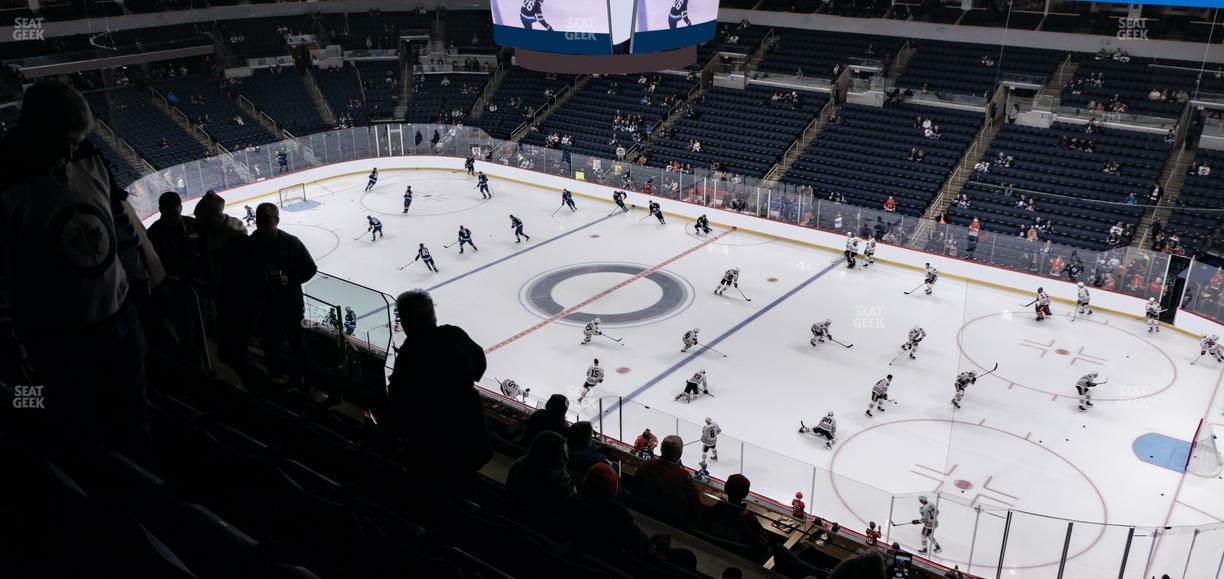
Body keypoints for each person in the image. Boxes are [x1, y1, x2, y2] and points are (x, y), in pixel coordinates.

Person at [0, 79, 157, 458]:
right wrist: (12, 355)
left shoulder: (87, 154)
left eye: (76, 141)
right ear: (34, 130)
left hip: (121, 320)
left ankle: (145, 479)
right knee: (71, 427)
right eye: (63, 142)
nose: (71, 150)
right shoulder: (4, 184)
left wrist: (138, 281)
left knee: (134, 414)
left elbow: (118, 223)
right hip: (54, 341)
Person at [386, 289, 491, 497]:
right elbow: (479, 365)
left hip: (426, 447)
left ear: (405, 323)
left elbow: (397, 401)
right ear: (433, 316)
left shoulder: (408, 355)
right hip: (466, 436)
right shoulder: (454, 336)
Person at [250, 203, 318, 388]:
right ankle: (276, 378)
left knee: (297, 343)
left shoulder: (291, 242)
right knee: (271, 344)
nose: (262, 222)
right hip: (266, 304)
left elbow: (310, 268)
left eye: (267, 218)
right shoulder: (250, 244)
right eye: (259, 218)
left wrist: (291, 279)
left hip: (290, 304)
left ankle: (303, 380)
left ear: (277, 221)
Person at [564, 463, 646, 558]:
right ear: (614, 492)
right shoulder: (619, 518)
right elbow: (639, 548)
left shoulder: (570, 504)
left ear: (584, 483)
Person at [630, 435, 703, 527]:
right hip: (670, 522)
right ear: (680, 454)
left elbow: (635, 488)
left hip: (642, 514)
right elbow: (695, 507)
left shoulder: (647, 465)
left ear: (661, 449)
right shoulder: (682, 475)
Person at [697, 473, 768, 561]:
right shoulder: (748, 519)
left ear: (725, 488)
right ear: (746, 493)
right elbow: (763, 544)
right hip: (739, 559)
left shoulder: (710, 511)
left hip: (708, 553)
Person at [506, 431, 573, 520]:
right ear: (551, 458)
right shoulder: (561, 484)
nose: (567, 458)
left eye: (566, 451)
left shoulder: (520, 465)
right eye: (562, 454)